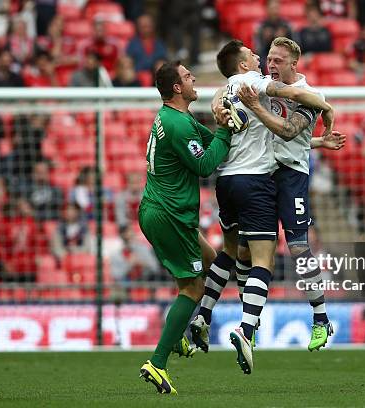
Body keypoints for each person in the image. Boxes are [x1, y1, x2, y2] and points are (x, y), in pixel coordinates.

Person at [191, 37, 345, 355]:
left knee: (299, 247)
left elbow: (289, 133)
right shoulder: (260, 85)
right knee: (244, 253)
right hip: (261, 176)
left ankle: (321, 318)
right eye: (269, 59)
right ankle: (250, 325)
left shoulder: (310, 96)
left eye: (277, 60)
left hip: (290, 177)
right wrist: (223, 97)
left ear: (293, 64)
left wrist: (322, 113)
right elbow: (229, 91)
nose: (270, 64)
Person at [137, 61, 234, 394]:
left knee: (212, 262)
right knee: (192, 288)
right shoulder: (178, 124)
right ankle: (158, 362)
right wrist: (224, 130)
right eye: (188, 76)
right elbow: (206, 164)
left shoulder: (176, 118)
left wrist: (230, 128)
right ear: (177, 87)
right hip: (170, 215)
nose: (194, 79)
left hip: (162, 210)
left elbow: (213, 142)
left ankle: (179, 333)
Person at [255, 0, 292, 72]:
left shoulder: (286, 26)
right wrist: (265, 40)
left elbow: (295, 46)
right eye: (272, 8)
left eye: (276, 8)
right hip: (266, 56)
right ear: (267, 9)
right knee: (261, 63)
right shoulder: (260, 27)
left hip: (284, 55)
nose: (275, 11)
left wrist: (283, 40)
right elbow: (257, 49)